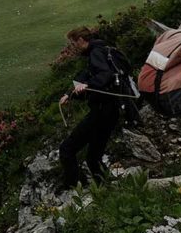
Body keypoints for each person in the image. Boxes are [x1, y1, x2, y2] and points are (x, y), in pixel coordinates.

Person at [57, 26, 133, 189]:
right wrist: (70, 93)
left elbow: (103, 75)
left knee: (67, 149)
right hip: (111, 111)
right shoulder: (102, 50)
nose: (73, 47)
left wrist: (87, 85)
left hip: (101, 110)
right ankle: (107, 189)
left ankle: (75, 187)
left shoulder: (95, 53)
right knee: (93, 157)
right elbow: (88, 77)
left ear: (81, 40)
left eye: (73, 43)